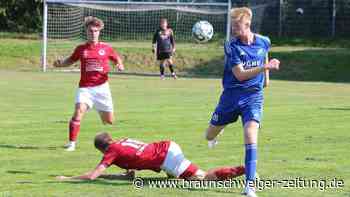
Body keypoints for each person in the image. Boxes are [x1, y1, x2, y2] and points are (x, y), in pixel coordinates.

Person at [203, 7, 280, 197]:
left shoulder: (264, 41)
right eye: (232, 26)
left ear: (247, 24)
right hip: (231, 97)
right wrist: (265, 68)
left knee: (250, 133)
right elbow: (240, 74)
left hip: (253, 97)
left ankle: (249, 186)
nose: (233, 30)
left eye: (237, 26)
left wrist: (266, 78)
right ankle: (218, 132)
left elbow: (265, 54)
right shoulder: (232, 46)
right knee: (209, 135)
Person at [53, 16, 124, 151]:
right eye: (91, 30)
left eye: (96, 31)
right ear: (86, 31)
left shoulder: (106, 48)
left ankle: (98, 108)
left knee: (109, 121)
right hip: (85, 89)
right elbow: (71, 60)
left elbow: (116, 59)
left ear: (99, 32)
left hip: (102, 88)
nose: (93, 33)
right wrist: (60, 64)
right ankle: (72, 144)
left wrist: (119, 65)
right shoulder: (81, 49)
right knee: (78, 111)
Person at [56, 132, 245, 181]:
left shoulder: (111, 152)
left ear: (102, 150)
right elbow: (130, 172)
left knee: (203, 178)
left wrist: (67, 178)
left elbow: (92, 176)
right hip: (166, 147)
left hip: (166, 157)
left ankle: (244, 169)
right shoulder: (122, 142)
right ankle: (174, 174)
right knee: (175, 177)